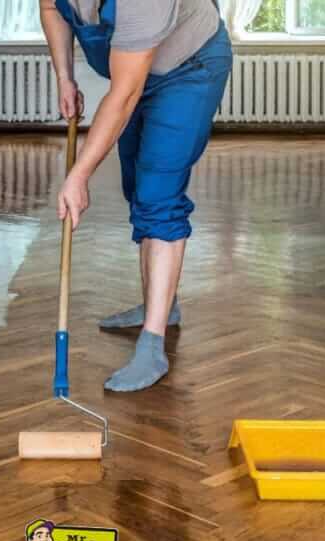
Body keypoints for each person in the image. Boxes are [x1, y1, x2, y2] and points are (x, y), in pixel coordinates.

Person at [39, 0, 231, 392]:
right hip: (135, 70)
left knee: (158, 196)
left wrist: (79, 174)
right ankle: (162, 304)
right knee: (137, 189)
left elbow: (124, 95)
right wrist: (64, 78)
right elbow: (51, 8)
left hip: (189, 70)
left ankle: (152, 343)